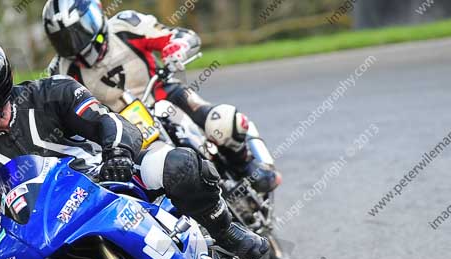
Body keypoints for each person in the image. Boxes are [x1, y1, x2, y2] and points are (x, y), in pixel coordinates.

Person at [0, 34, 268, 259]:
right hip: (47, 235)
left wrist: (118, 153)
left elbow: (110, 122)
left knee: (179, 164)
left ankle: (225, 230)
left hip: (107, 182)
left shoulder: (53, 92)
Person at [42, 0, 280, 193]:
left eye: (79, 32)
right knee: (148, 178)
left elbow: (182, 35)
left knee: (225, 121)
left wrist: (176, 48)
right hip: (125, 128)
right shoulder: (61, 71)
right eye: (64, 39)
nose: (74, 44)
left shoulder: (126, 25)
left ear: (95, 17)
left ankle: (248, 166)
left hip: (165, 95)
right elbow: (59, 114)